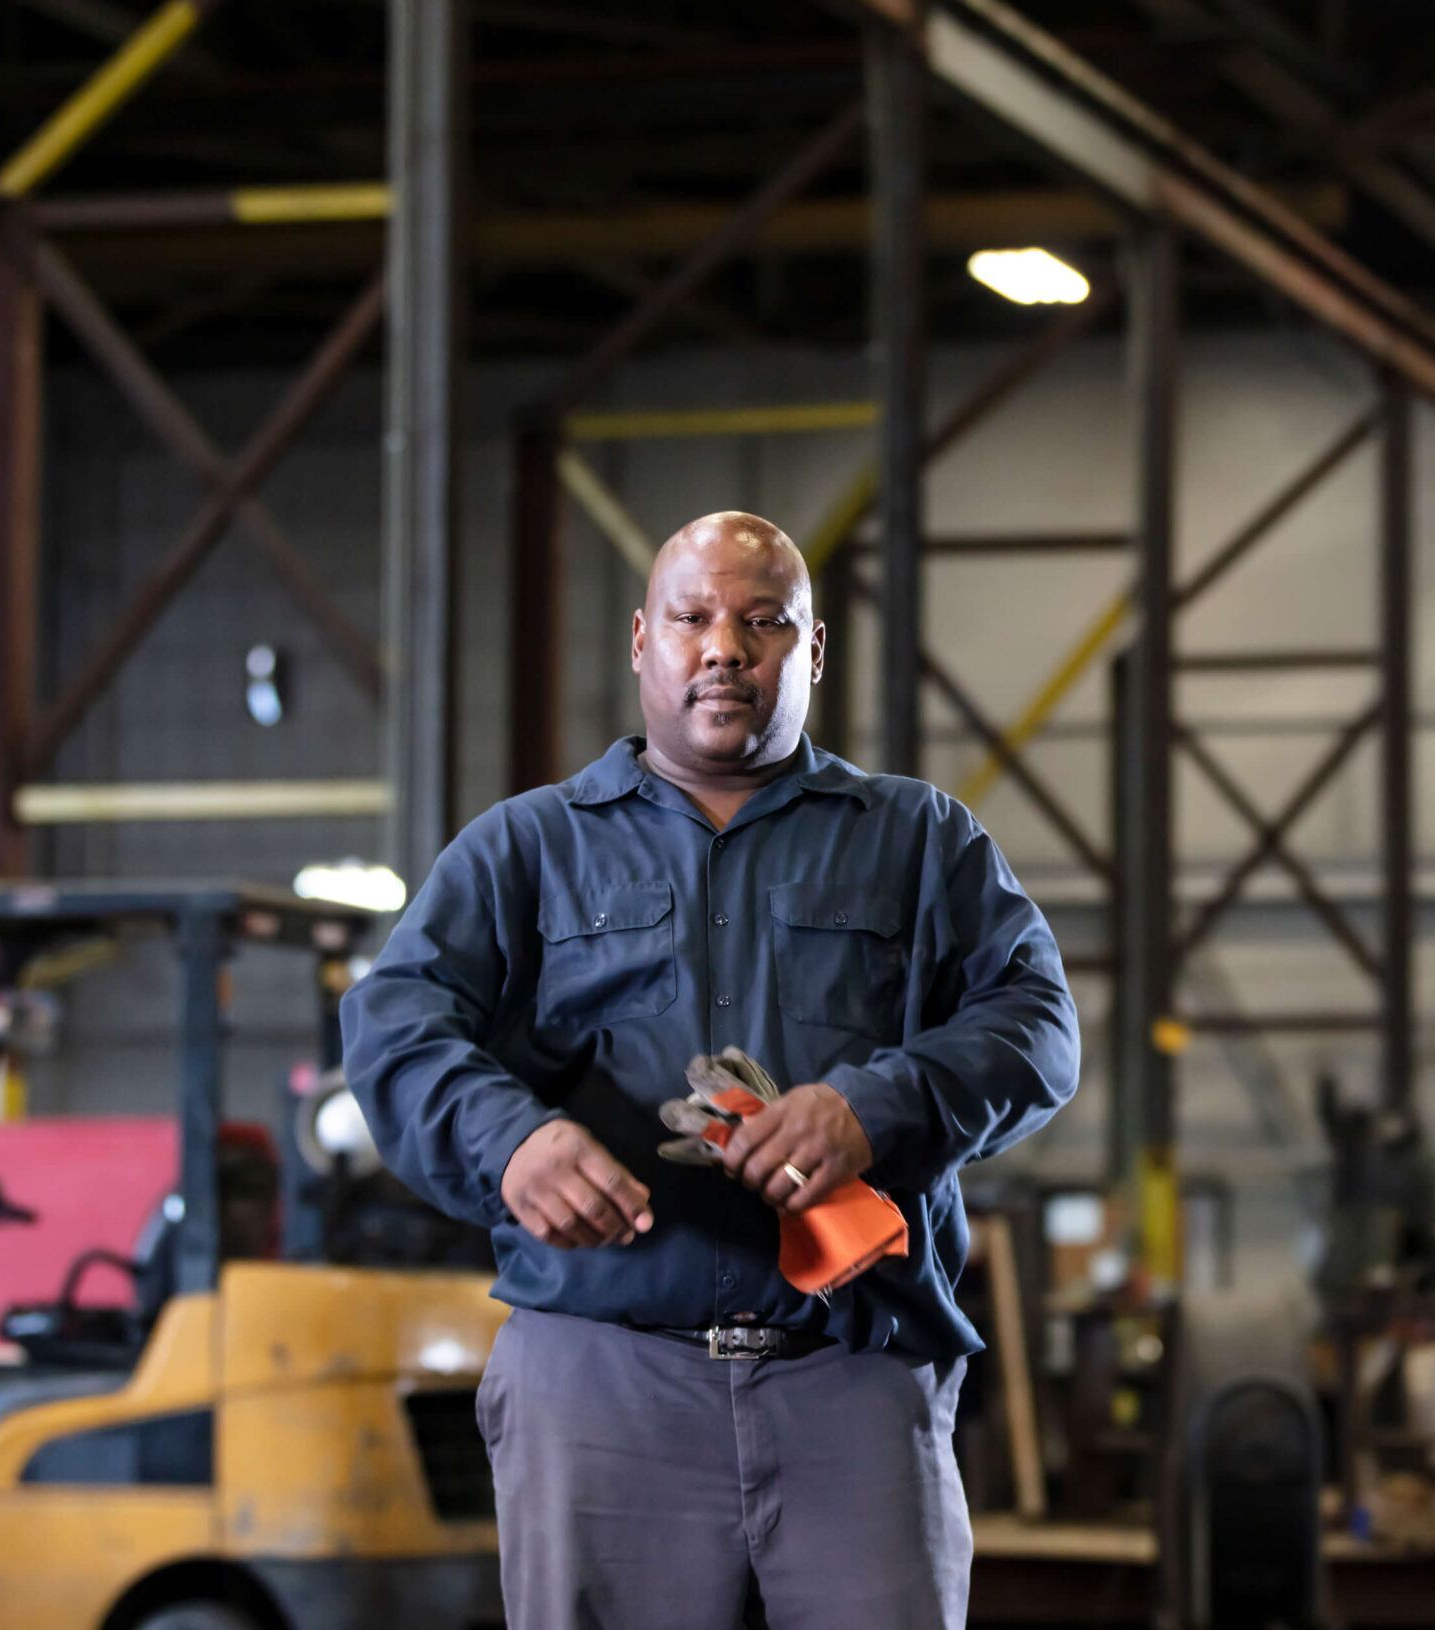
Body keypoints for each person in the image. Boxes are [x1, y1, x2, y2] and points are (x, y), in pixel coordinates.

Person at [342, 510, 1081, 1630]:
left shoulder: (919, 842)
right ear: (643, 641)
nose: (724, 647)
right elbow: (394, 1021)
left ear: (813, 651)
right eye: (692, 618)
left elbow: (1037, 1021)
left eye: (762, 621)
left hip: (849, 1377)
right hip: (601, 1382)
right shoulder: (526, 849)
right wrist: (511, 1142)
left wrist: (873, 1107)